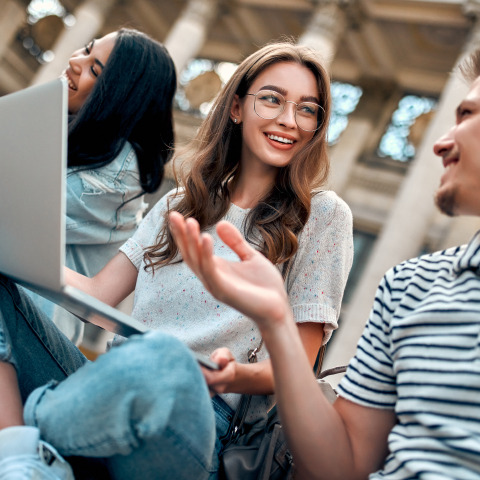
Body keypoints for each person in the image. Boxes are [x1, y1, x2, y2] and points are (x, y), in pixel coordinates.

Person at [0, 41, 353, 478]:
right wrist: (13, 254)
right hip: (108, 385)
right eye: (273, 99)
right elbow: (96, 295)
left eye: (307, 109)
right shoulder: (180, 203)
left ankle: (23, 440)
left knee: (165, 355)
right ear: (237, 107)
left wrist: (232, 377)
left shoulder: (323, 215)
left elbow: (295, 367)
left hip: (201, 421)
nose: (288, 120)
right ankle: (25, 456)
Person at [169, 49, 480, 480]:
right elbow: (342, 467)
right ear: (236, 108)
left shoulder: (325, 215)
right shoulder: (409, 286)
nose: (442, 142)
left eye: (468, 116)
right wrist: (278, 322)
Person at [26, 27, 176, 344]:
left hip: (30, 325)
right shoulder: (72, 133)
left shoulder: (117, 170)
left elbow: (18, 212)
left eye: (95, 69)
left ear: (121, 95)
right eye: (85, 49)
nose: (74, 61)